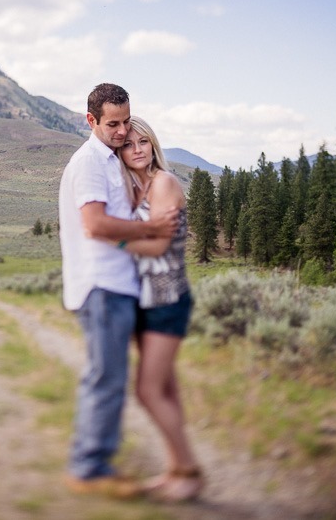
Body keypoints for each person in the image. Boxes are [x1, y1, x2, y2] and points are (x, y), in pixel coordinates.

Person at [58, 83, 179, 498]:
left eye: (127, 121)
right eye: (113, 123)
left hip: (117, 286)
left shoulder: (109, 159)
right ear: (90, 120)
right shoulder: (90, 161)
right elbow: (95, 225)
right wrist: (149, 228)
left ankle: (96, 463)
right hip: (101, 284)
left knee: (110, 376)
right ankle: (90, 468)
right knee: (106, 377)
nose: (123, 131)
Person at [114, 116, 203, 502]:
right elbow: (145, 237)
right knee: (164, 389)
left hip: (168, 300)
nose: (136, 149)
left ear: (153, 146)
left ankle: (189, 470)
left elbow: (158, 248)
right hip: (146, 301)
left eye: (143, 142)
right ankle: (174, 471)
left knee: (148, 391)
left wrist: (110, 238)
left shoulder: (164, 183)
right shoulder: (136, 188)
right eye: (128, 144)